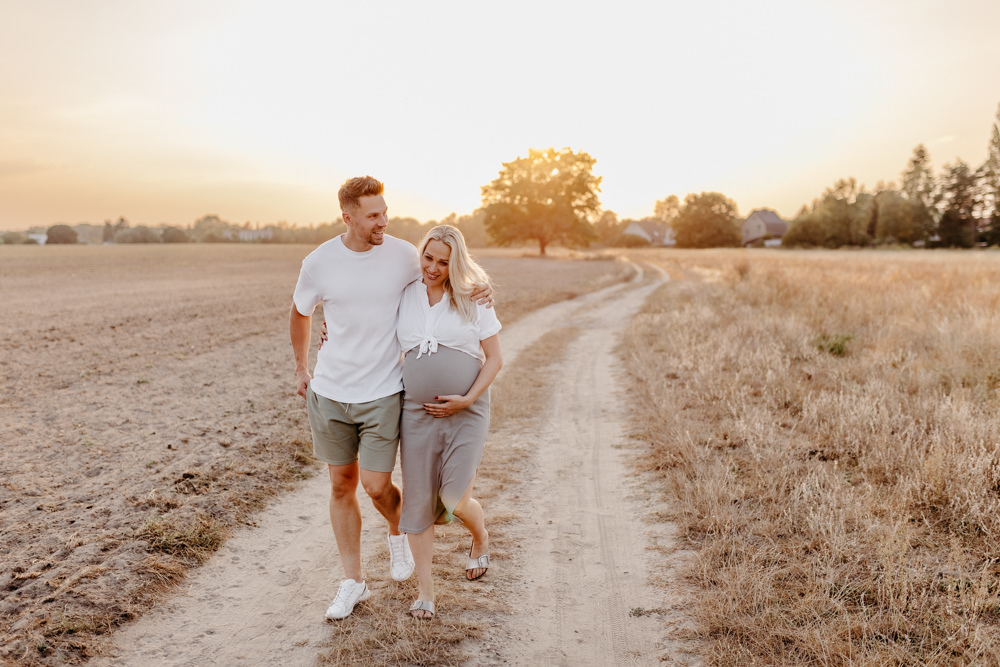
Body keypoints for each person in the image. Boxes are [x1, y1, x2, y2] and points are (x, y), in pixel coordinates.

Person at [289, 177, 491, 621]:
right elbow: (301, 311)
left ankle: (397, 534)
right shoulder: (319, 262)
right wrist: (303, 368)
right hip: (330, 392)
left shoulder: (404, 254)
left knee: (377, 486)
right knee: (340, 484)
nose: (385, 220)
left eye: (385, 211)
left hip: (382, 392)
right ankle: (352, 581)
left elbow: (449, 276)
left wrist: (479, 289)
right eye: (374, 215)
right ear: (348, 217)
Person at [395, 225, 503, 620]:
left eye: (444, 262)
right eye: (428, 258)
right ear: (419, 254)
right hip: (416, 415)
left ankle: (480, 535)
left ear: (455, 263)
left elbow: (494, 358)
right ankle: (425, 592)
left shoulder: (474, 297)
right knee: (419, 501)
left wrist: (468, 398)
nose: (434, 268)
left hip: (467, 412)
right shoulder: (404, 294)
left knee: (454, 501)